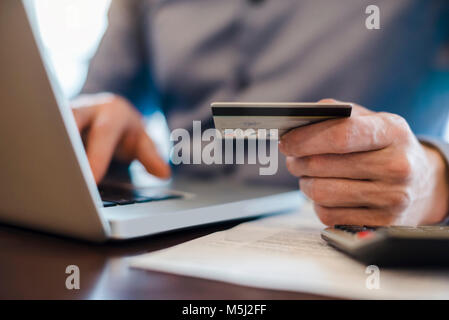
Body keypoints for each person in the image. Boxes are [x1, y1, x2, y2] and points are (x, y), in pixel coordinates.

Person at [72, 0, 449, 226]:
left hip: (339, 242)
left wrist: (435, 181)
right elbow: (96, 103)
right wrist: (101, 120)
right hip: (165, 229)